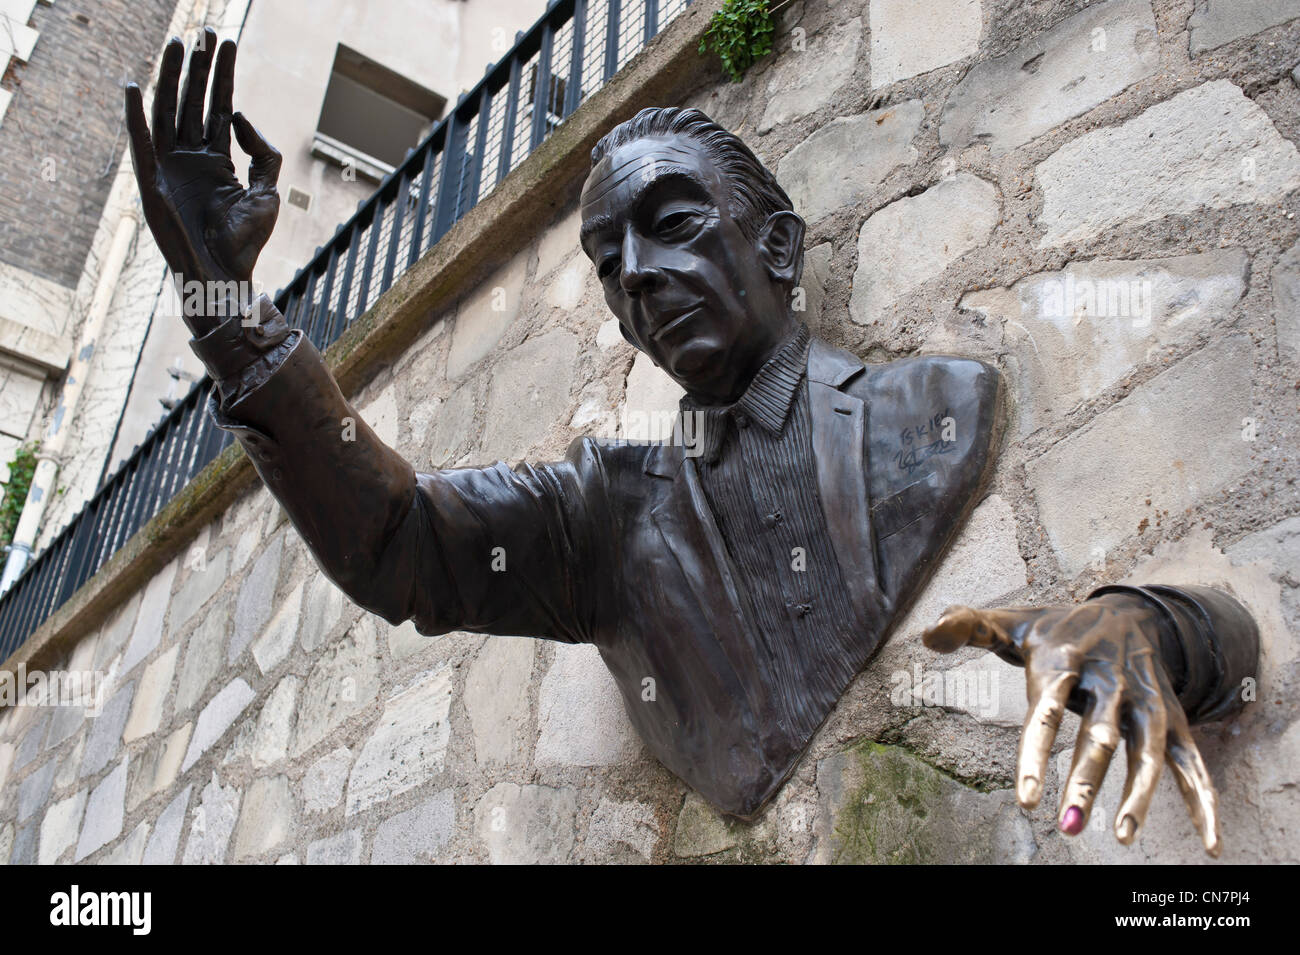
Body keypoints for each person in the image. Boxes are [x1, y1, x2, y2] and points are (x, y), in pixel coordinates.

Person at [124, 31, 1258, 854]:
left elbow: (1233, 633)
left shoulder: (935, 410)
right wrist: (225, 308)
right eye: (611, 266)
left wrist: (1156, 620)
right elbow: (396, 539)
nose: (640, 278)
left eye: (671, 224)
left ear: (775, 242)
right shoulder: (604, 516)